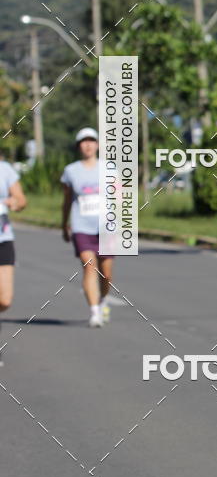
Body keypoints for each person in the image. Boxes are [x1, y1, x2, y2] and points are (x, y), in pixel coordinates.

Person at [61, 128, 114, 328]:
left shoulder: (109, 168)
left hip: (106, 227)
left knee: (106, 273)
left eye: (92, 140)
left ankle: (103, 300)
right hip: (81, 226)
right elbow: (66, 201)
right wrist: (64, 224)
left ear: (98, 145)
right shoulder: (70, 171)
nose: (88, 144)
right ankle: (94, 312)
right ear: (78, 146)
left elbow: (119, 195)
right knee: (89, 266)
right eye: (84, 141)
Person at [0, 155, 27, 366]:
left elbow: (21, 199)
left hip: (3, 240)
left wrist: (15, 202)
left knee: (5, 300)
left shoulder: (5, 169)